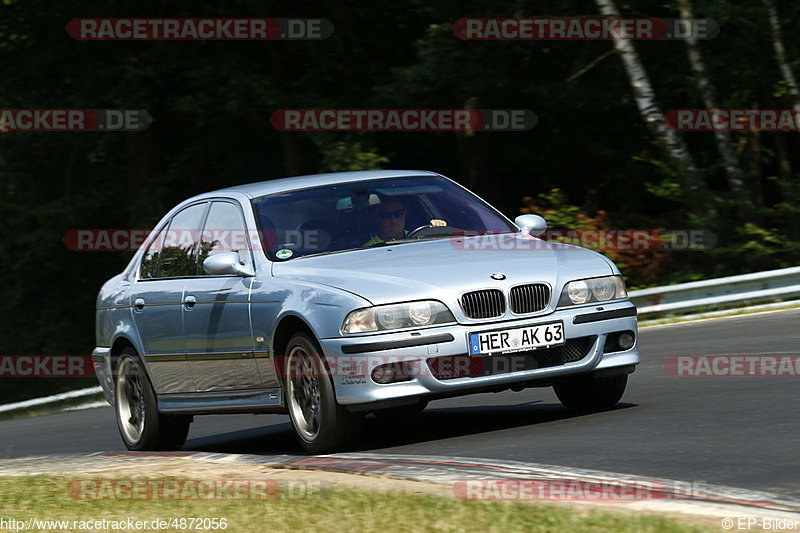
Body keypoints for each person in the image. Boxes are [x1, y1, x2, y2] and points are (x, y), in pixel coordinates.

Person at [363, 197, 446, 246]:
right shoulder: (368, 247)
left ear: (405, 215)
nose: (393, 219)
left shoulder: (422, 236)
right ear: (377, 218)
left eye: (398, 214)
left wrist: (440, 232)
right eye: (386, 215)